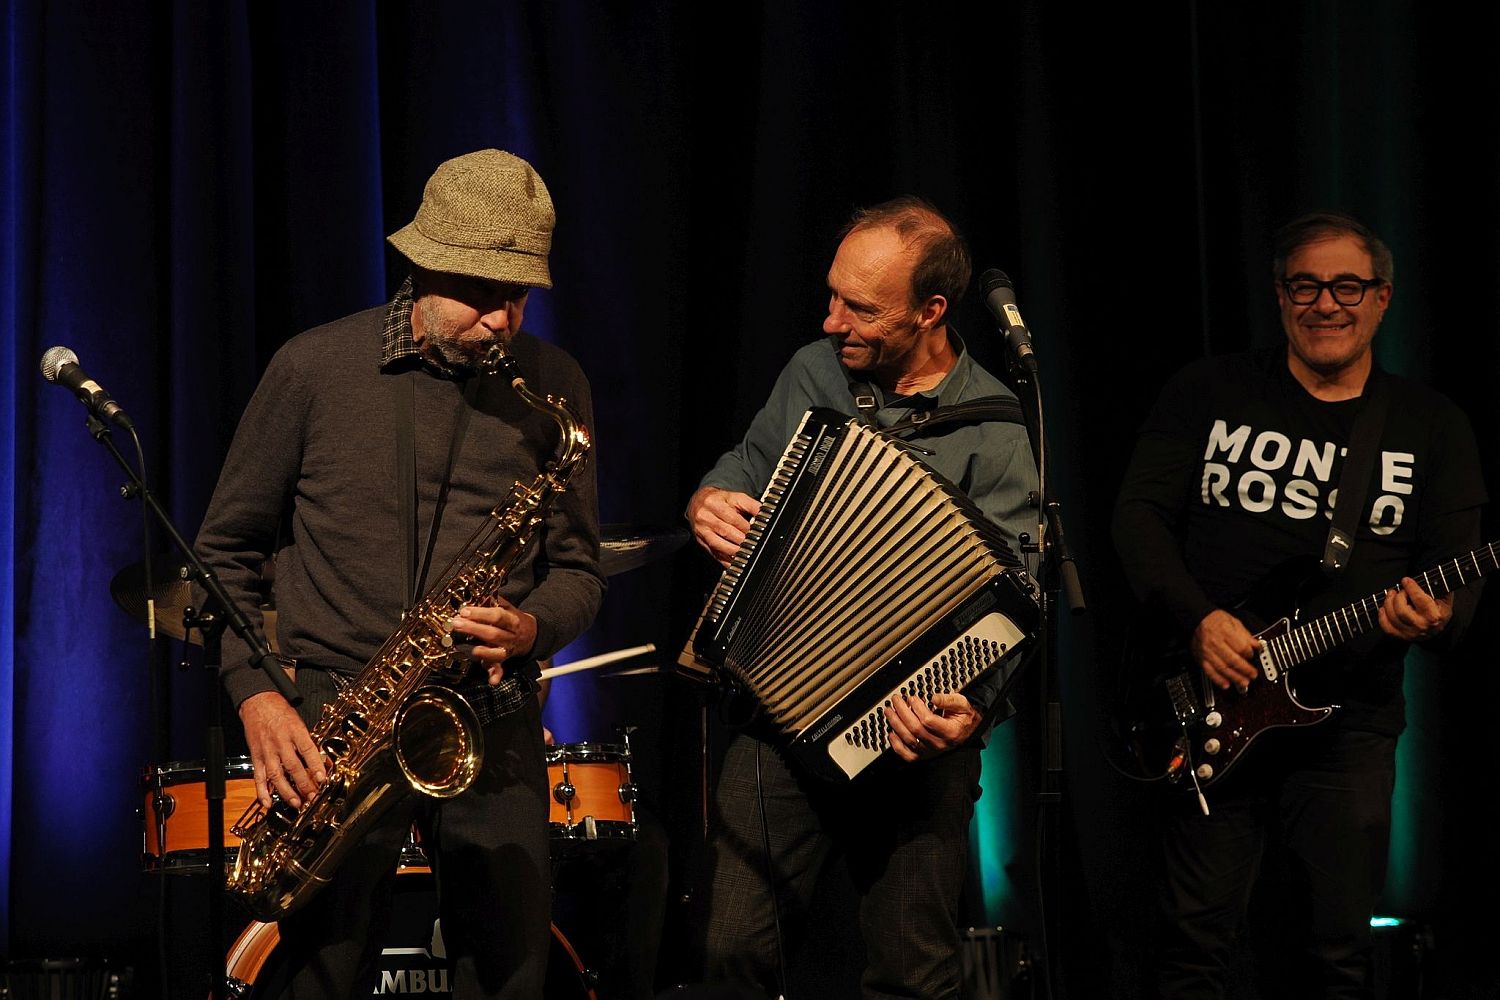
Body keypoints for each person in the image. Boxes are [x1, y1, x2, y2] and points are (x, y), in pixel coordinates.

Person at [195, 148, 604, 998]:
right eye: (483, 294)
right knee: (322, 973)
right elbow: (222, 554)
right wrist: (257, 694)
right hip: (335, 718)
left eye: (519, 296)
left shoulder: (553, 385)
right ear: (424, 268)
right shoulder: (312, 368)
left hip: (488, 714)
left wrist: (532, 629)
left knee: (512, 977)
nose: (503, 320)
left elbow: (578, 570)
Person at [1112, 211, 1486, 997]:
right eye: (1305, 286)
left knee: (1337, 954)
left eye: (1347, 286)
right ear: (1280, 297)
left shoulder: (1431, 425)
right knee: (1192, 948)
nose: (1326, 304)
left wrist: (1439, 617)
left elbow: (1459, 568)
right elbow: (1137, 518)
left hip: (1349, 724)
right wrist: (1198, 619)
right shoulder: (1209, 390)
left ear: (1382, 297)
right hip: (1210, 701)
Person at [686, 197, 1038, 999]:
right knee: (733, 951)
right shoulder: (815, 372)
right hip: (779, 707)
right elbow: (744, 464)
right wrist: (708, 499)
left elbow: (1013, 604)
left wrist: (971, 707)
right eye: (833, 295)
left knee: (914, 974)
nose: (832, 320)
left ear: (931, 311)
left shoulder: (997, 430)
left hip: (917, 744)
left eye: (861, 308)